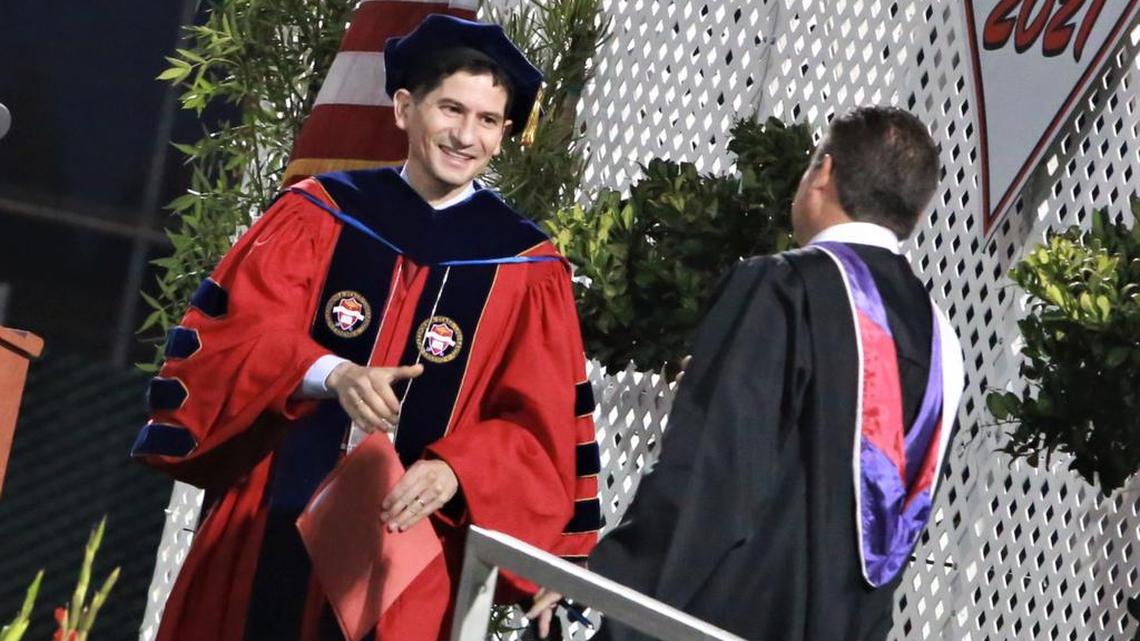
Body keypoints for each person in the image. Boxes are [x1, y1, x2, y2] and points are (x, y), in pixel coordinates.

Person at [132, 15, 600, 641]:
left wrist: (459, 471)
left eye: (488, 121)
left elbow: (538, 430)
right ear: (406, 108)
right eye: (451, 109)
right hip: (269, 518)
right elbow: (237, 335)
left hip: (407, 559)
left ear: (505, 133)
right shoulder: (318, 212)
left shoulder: (525, 268)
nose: (466, 136)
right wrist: (332, 372)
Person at [531, 106, 964, 640]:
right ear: (916, 216)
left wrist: (611, 572)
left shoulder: (784, 287)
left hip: (724, 618)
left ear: (822, 174)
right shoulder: (941, 339)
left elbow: (716, 468)